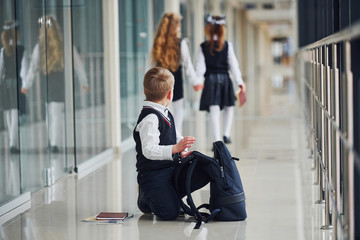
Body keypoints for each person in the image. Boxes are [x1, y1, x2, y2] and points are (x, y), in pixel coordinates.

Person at [133, 67, 196, 220]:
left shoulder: (165, 111)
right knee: (169, 214)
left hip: (170, 168)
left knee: (199, 171)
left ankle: (168, 195)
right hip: (152, 174)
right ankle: (146, 198)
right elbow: (148, 149)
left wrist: (183, 148)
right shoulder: (150, 118)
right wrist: (175, 149)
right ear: (170, 93)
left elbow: (175, 135)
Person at [21, 15, 89, 153]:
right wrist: (84, 82)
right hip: (59, 83)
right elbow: (78, 65)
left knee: (50, 113)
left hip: (47, 83)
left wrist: (26, 85)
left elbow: (33, 68)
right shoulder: (64, 44)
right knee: (55, 113)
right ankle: (53, 143)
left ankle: (53, 143)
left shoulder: (40, 47)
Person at [195, 15, 246, 144]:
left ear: (208, 29)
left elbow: (199, 67)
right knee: (229, 106)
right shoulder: (227, 46)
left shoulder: (203, 47)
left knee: (214, 109)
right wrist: (239, 81)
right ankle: (226, 134)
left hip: (210, 80)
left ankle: (217, 139)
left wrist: (198, 81)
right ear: (222, 30)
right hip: (225, 79)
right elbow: (233, 65)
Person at [150, 12, 203, 134]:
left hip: (159, 79)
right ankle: (176, 136)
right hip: (175, 80)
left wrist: (149, 82)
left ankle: (162, 135)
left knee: (161, 109)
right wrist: (196, 82)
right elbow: (188, 65)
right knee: (178, 110)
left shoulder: (158, 43)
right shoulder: (181, 43)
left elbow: (151, 64)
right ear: (175, 26)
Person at [0, 21, 28, 154]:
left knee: (8, 113)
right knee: (15, 113)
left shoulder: (3, 52)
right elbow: (24, 69)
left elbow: (0, 70)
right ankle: (13, 143)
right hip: (17, 84)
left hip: (5, 84)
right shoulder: (22, 50)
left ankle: (12, 141)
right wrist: (25, 84)